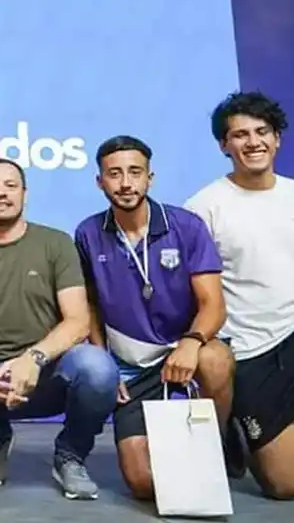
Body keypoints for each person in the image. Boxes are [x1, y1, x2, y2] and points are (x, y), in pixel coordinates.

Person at [0, 159, 118, 500]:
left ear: (25, 194)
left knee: (98, 368)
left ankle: (70, 455)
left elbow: (78, 321)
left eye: (10, 185)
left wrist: (33, 359)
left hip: (49, 369)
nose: (1, 193)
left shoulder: (56, 243)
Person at [76, 135, 234, 501]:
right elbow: (91, 307)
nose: (126, 183)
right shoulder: (87, 233)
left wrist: (191, 344)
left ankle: (221, 441)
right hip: (131, 368)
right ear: (100, 181)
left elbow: (214, 304)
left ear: (151, 177)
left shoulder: (187, 226)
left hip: (185, 353)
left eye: (135, 172)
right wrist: (104, 360)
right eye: (114, 174)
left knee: (215, 359)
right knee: (145, 484)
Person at [185, 92, 294, 500]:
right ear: (224, 145)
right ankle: (238, 424)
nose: (253, 142)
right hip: (253, 350)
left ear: (277, 139)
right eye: (239, 135)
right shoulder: (204, 208)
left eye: (262, 132)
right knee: (286, 486)